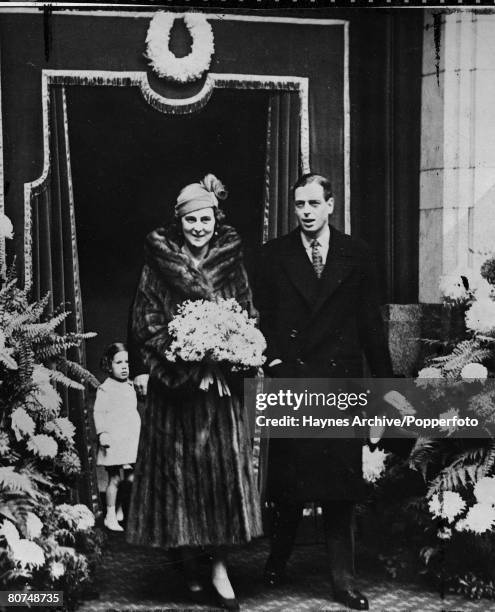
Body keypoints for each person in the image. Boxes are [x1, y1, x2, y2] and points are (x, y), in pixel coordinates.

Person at [254, 173, 393, 611]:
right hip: (293, 381)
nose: (307, 212)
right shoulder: (273, 255)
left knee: (340, 487)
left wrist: (384, 391)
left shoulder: (358, 253)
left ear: (331, 205)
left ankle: (343, 581)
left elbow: (372, 325)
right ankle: (277, 560)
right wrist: (273, 359)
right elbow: (261, 317)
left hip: (340, 382)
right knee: (289, 484)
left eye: (315, 203)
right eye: (300, 205)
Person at [126, 174, 262, 611]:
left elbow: (248, 314)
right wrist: (182, 346)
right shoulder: (159, 264)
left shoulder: (231, 263)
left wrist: (230, 344)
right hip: (176, 388)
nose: (198, 227)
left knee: (221, 480)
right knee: (177, 481)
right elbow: (144, 321)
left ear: (215, 220)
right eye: (190, 221)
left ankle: (220, 568)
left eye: (205, 219)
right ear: (179, 222)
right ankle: (188, 565)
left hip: (217, 392)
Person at [93, 342, 141, 532]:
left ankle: (120, 507)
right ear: (109, 365)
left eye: (127, 363)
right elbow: (99, 412)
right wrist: (102, 433)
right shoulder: (106, 388)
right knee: (114, 479)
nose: (124, 367)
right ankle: (110, 515)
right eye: (118, 362)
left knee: (130, 479)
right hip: (113, 440)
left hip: (130, 440)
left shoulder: (131, 386)